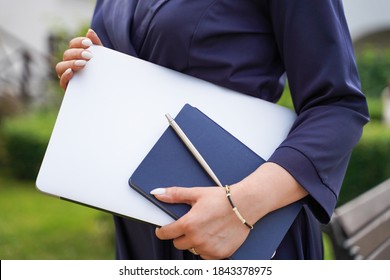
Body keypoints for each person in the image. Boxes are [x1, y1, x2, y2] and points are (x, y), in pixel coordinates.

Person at [55, 0, 369, 260]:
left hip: (245, 228)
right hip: (140, 229)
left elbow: (337, 106)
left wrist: (240, 206)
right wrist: (92, 77)